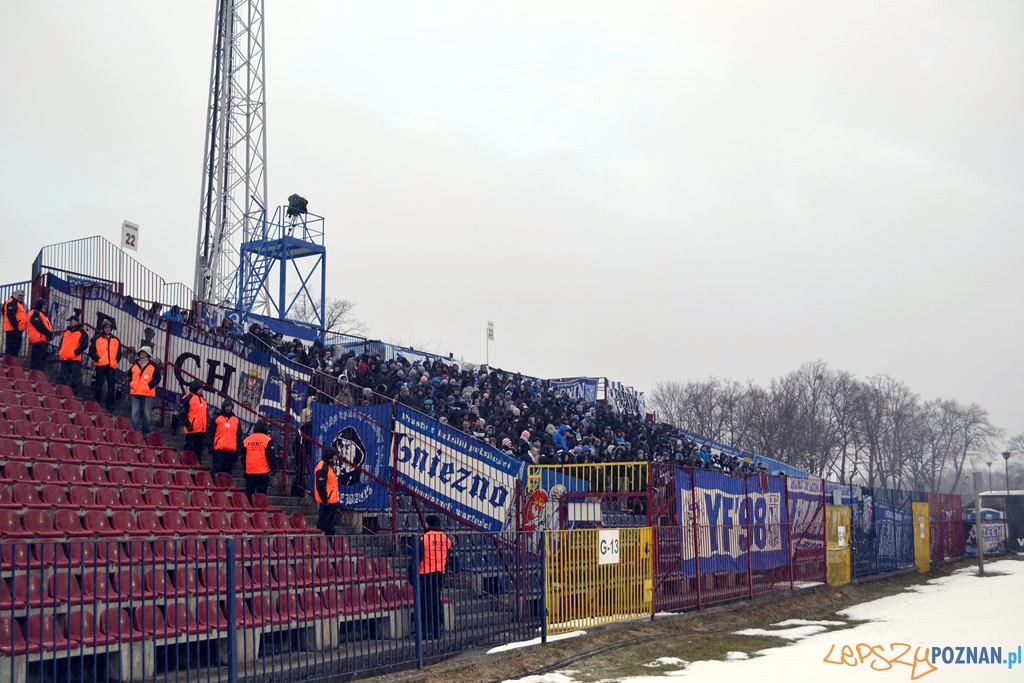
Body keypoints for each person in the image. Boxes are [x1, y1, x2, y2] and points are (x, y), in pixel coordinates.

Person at [418, 514, 452, 640]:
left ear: (428, 524)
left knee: (426, 603)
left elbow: (418, 557)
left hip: (426, 573)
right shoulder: (446, 539)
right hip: (440, 573)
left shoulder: (424, 538)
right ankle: (437, 631)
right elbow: (447, 558)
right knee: (436, 601)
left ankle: (426, 632)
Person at [88, 320, 121, 410]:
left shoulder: (116, 340)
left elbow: (119, 353)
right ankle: (97, 401)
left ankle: (109, 405)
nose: (107, 329)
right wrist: (98, 359)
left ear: (111, 329)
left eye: (109, 327)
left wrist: (115, 361)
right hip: (101, 365)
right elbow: (91, 351)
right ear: (103, 328)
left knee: (111, 386)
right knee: (99, 384)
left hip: (111, 366)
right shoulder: (97, 338)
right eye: (106, 327)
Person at [128, 344, 161, 436]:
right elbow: (129, 375)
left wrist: (149, 386)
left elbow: (157, 378)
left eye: (144, 352)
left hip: (147, 393)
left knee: (147, 414)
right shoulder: (135, 365)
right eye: (141, 352)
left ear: (148, 354)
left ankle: (146, 432)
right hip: (135, 392)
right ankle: (133, 431)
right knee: (135, 413)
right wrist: (132, 384)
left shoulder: (153, 366)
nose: (142, 354)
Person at [242, 420, 274, 501]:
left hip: (250, 471)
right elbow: (270, 456)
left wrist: (245, 469)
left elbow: (243, 457)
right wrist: (273, 468)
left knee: (249, 494)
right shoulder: (267, 440)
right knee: (261, 495)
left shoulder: (247, 440)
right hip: (262, 471)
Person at [58, 314, 88, 393]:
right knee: (62, 376)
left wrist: (76, 352)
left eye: (71, 321)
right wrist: (60, 350)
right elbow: (62, 342)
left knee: (74, 377)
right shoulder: (67, 332)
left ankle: (74, 393)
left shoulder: (82, 332)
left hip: (74, 358)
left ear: (76, 322)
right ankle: (61, 391)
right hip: (65, 357)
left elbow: (84, 344)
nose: (70, 323)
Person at [314, 446, 341, 536]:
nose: (335, 457)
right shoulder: (322, 467)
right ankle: (323, 544)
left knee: (330, 526)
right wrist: (325, 499)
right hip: (327, 501)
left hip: (331, 501)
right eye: (334, 455)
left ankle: (329, 544)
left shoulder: (328, 466)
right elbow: (320, 486)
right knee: (324, 525)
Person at [210, 400, 241, 476]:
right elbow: (210, 433)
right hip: (219, 449)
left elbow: (239, 435)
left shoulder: (235, 420)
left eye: (230, 406)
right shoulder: (217, 418)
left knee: (228, 471)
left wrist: (238, 448)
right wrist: (210, 446)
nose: (229, 408)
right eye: (227, 406)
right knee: (217, 469)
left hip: (231, 449)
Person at [180, 380, 208, 461]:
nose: (201, 390)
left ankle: (197, 463)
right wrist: (189, 425)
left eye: (202, 389)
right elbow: (182, 414)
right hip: (192, 430)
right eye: (200, 389)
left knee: (198, 450)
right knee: (189, 449)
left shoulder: (202, 399)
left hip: (201, 430)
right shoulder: (187, 398)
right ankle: (185, 462)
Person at [26, 298, 53, 371]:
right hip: (38, 340)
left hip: (42, 340)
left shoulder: (41, 314)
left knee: (41, 362)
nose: (45, 306)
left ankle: (38, 376)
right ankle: (35, 376)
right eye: (44, 305)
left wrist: (49, 335)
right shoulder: (35, 313)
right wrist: (49, 333)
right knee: (37, 361)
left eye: (46, 305)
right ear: (40, 305)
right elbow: (39, 325)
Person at [3, 289, 27, 357]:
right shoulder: (12, 302)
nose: (21, 297)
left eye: (22, 296)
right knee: (12, 350)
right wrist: (16, 326)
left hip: (16, 329)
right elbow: (11, 315)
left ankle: (10, 363)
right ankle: (9, 363)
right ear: (15, 295)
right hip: (13, 329)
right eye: (20, 295)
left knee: (14, 350)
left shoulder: (17, 303)